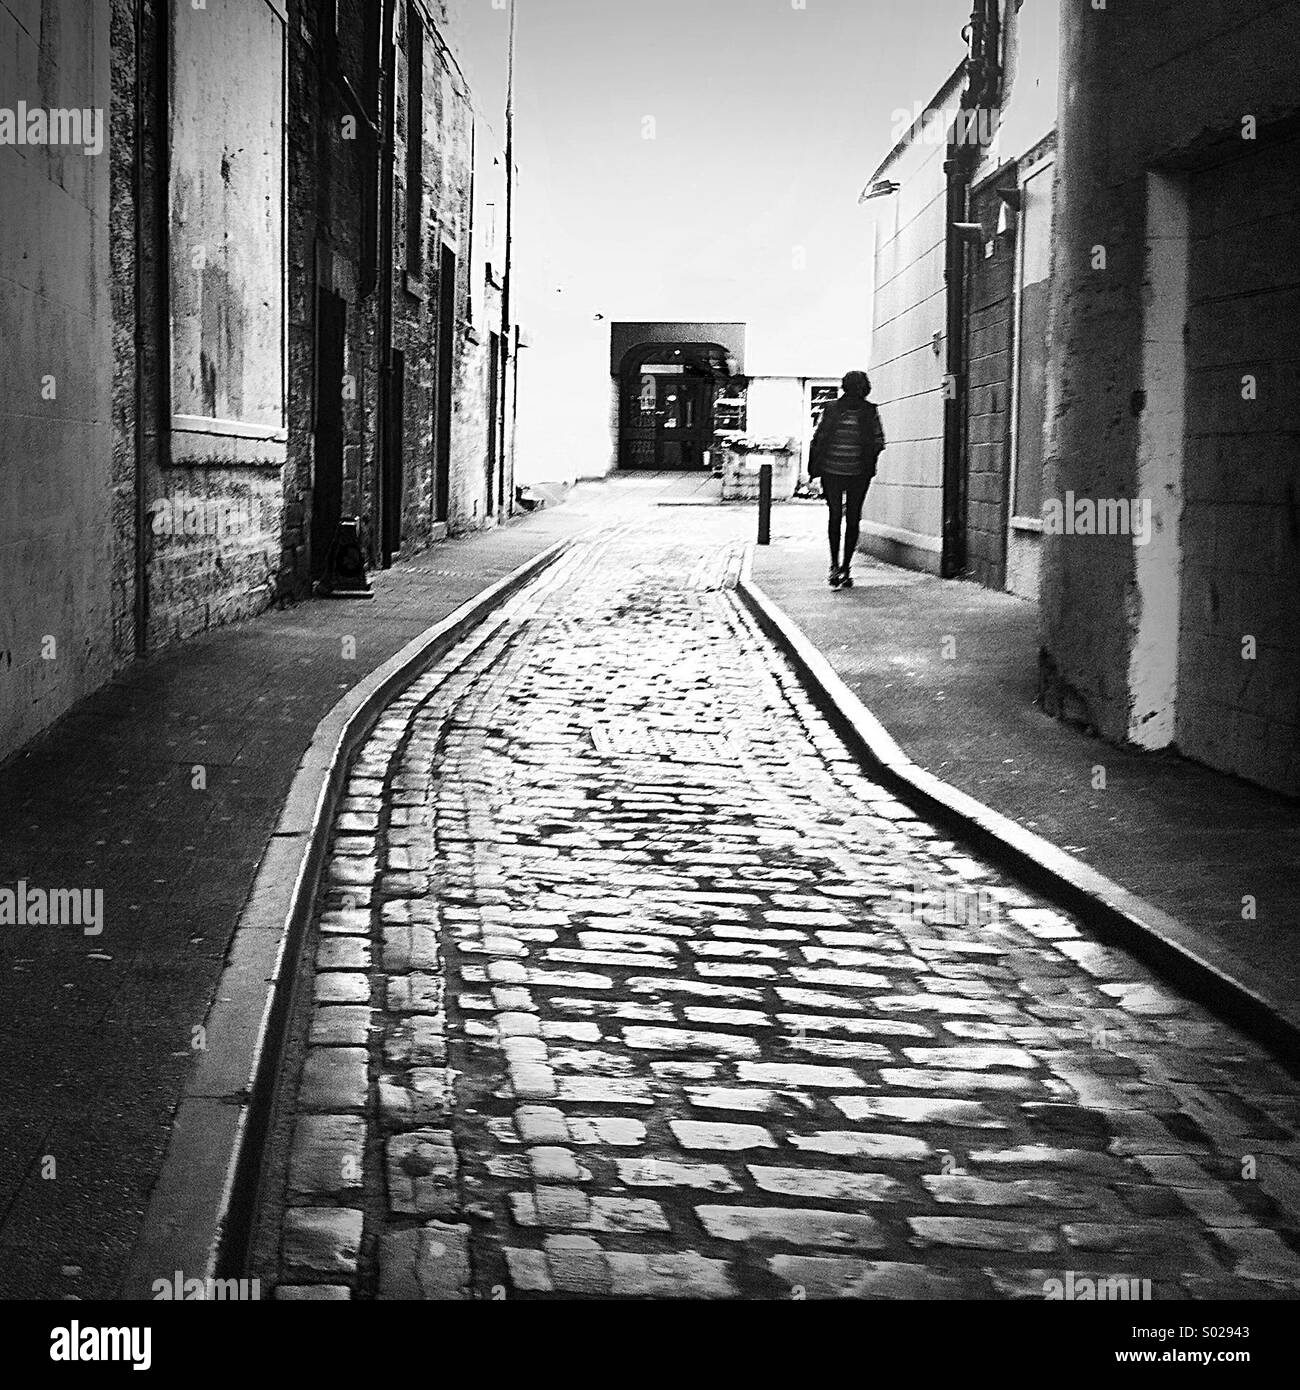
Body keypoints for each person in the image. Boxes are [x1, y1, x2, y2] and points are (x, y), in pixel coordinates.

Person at [807, 370, 885, 588]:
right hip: (856, 473)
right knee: (852, 519)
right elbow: (879, 441)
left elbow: (818, 437)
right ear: (864, 388)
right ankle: (844, 568)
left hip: (833, 471)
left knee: (835, 517)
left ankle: (836, 566)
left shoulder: (831, 409)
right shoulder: (869, 412)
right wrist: (868, 456)